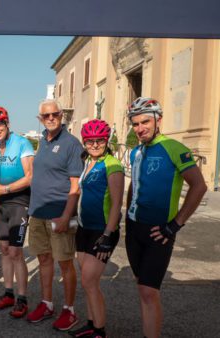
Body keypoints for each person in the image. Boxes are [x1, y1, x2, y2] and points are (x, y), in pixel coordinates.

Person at [124, 97, 207, 338]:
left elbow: (199, 186)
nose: (140, 128)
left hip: (159, 231)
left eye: (145, 122)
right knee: (142, 287)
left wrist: (175, 225)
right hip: (134, 228)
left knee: (149, 292)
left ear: (158, 120)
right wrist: (127, 217)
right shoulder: (136, 152)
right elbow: (135, 186)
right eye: (136, 123)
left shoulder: (174, 148)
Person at [26, 99, 83, 331]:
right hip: (38, 213)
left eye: (55, 115)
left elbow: (75, 186)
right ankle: (47, 303)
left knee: (66, 264)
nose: (51, 118)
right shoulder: (43, 141)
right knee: (44, 260)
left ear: (61, 116)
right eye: (46, 116)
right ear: (40, 119)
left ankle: (69, 310)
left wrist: (65, 216)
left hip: (60, 215)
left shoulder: (71, 144)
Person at [69, 119, 124, 338]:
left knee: (89, 280)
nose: (94, 145)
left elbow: (117, 203)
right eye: (89, 141)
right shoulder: (87, 162)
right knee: (88, 281)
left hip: (102, 231)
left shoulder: (112, 164)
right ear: (84, 142)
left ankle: (99, 331)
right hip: (84, 228)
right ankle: (91, 324)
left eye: (99, 140)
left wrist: (108, 235)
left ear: (106, 140)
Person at [0, 106, 34, 318]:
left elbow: (30, 176)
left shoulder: (22, 143)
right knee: (4, 250)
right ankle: (8, 294)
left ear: (7, 123)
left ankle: (22, 299)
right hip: (1, 205)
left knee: (16, 252)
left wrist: (4, 190)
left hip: (19, 203)